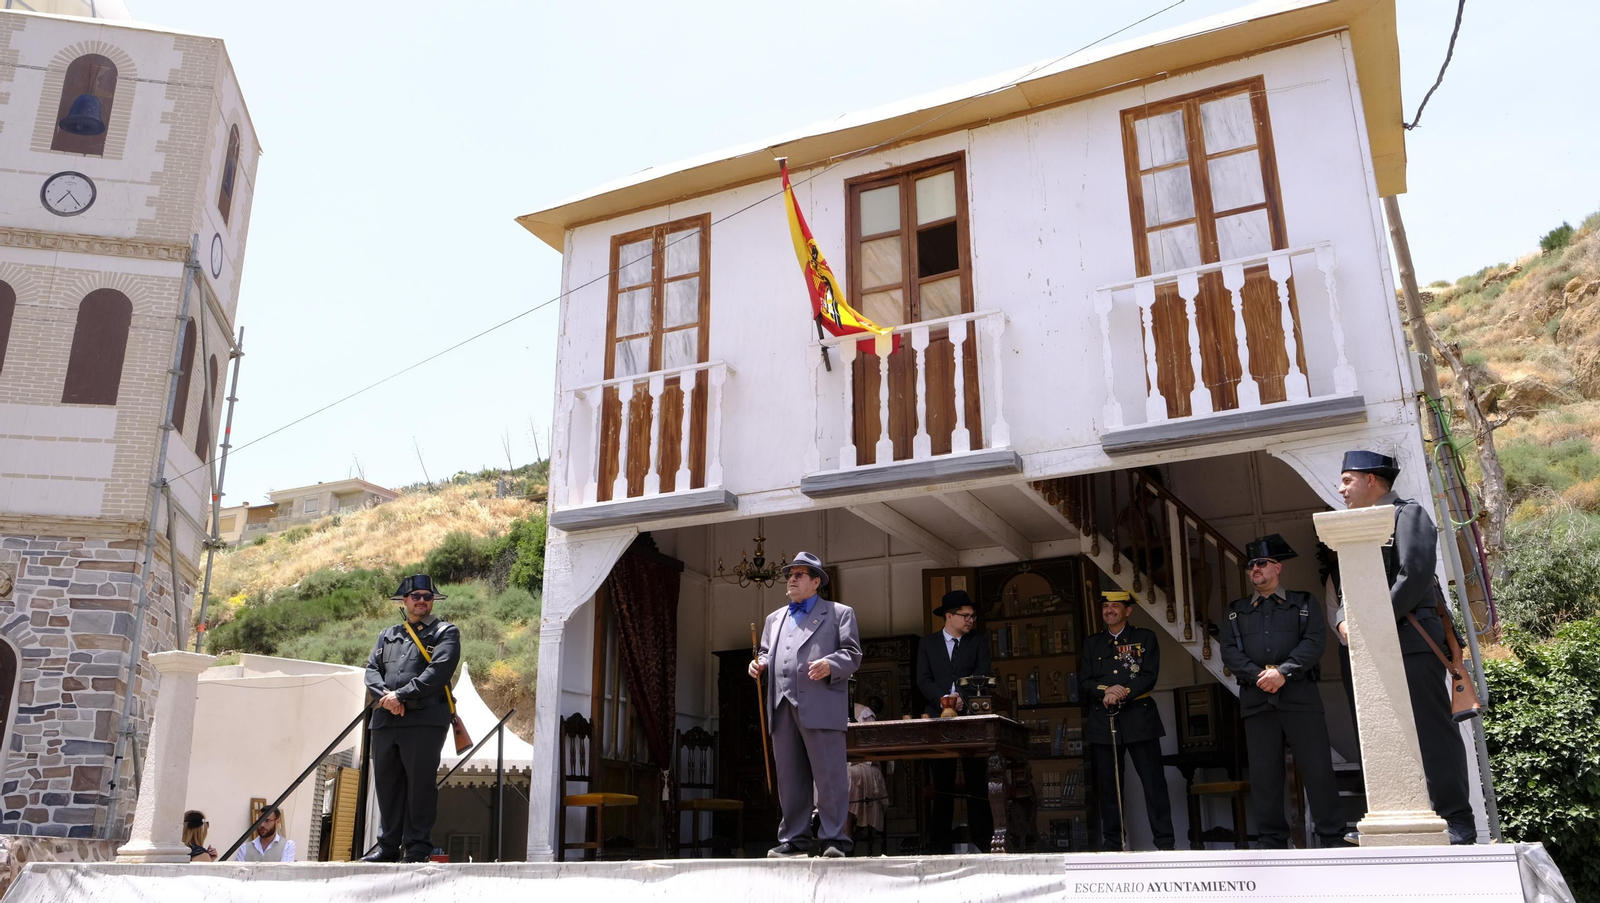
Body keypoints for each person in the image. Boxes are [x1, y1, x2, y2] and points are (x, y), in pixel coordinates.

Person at [1332, 450, 1477, 845]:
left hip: (1412, 640)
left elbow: (1413, 576)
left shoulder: (1406, 514)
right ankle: (1397, 819)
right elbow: (1347, 587)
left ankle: (1457, 820)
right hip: (1371, 645)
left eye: (1347, 479)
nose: (1340, 488)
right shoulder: (1353, 527)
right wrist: (1344, 619)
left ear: (1371, 481)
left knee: (1432, 733)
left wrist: (1371, 624)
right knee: (1383, 732)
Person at [1219, 534, 1347, 848]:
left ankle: (1332, 837)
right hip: (1257, 698)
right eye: (1250, 566)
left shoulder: (1303, 603)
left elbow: (1314, 643)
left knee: (1317, 767)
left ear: (1278, 567)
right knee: (1264, 774)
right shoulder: (1236, 611)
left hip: (1299, 696)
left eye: (1261, 563)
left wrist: (1283, 673)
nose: (1254, 570)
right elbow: (1230, 652)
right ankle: (1271, 839)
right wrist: (1261, 675)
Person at [750, 551, 862, 858]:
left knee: (829, 776)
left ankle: (834, 839)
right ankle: (795, 840)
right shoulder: (774, 619)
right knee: (790, 777)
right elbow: (765, 653)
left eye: (799, 575)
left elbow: (853, 655)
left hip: (821, 704)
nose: (792, 579)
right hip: (782, 705)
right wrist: (758, 664)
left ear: (816, 582)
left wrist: (830, 664)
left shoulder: (839, 613)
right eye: (790, 575)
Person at [361, 574, 461, 863]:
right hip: (386, 720)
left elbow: (438, 672)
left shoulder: (446, 632)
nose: (421, 601)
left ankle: (417, 847)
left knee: (419, 785)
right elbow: (371, 670)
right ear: (404, 600)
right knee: (387, 785)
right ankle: (387, 847)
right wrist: (386, 699)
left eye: (427, 596)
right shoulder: (387, 634)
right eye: (415, 596)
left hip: (425, 719)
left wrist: (400, 696)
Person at [1077, 590, 1174, 851]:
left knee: (1153, 783)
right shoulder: (1092, 643)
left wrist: (1123, 691)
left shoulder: (1145, 638)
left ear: (1128, 611)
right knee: (1109, 787)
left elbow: (1149, 675)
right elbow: (1085, 682)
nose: (1109, 610)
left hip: (1140, 717)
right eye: (1105, 606)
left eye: (1115, 606)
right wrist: (1105, 692)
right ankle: (1113, 844)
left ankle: (1165, 843)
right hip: (1103, 721)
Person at [913, 589, 994, 853]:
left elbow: (983, 674)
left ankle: (984, 842)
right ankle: (939, 847)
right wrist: (943, 700)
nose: (970, 620)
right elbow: (922, 680)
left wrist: (962, 697)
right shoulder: (928, 643)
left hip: (970, 717)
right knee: (942, 783)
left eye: (972, 616)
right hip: (938, 720)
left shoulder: (978, 641)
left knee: (977, 780)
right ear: (949, 616)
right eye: (965, 615)